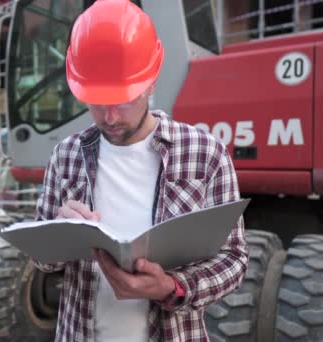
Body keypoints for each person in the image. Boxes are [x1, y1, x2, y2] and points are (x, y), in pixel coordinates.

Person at [34, 0, 248, 340]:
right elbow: (44, 262)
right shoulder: (66, 156)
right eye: (97, 102)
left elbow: (234, 261)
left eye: (124, 99)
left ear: (150, 81)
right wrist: (59, 232)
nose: (110, 117)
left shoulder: (204, 154)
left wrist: (172, 287)